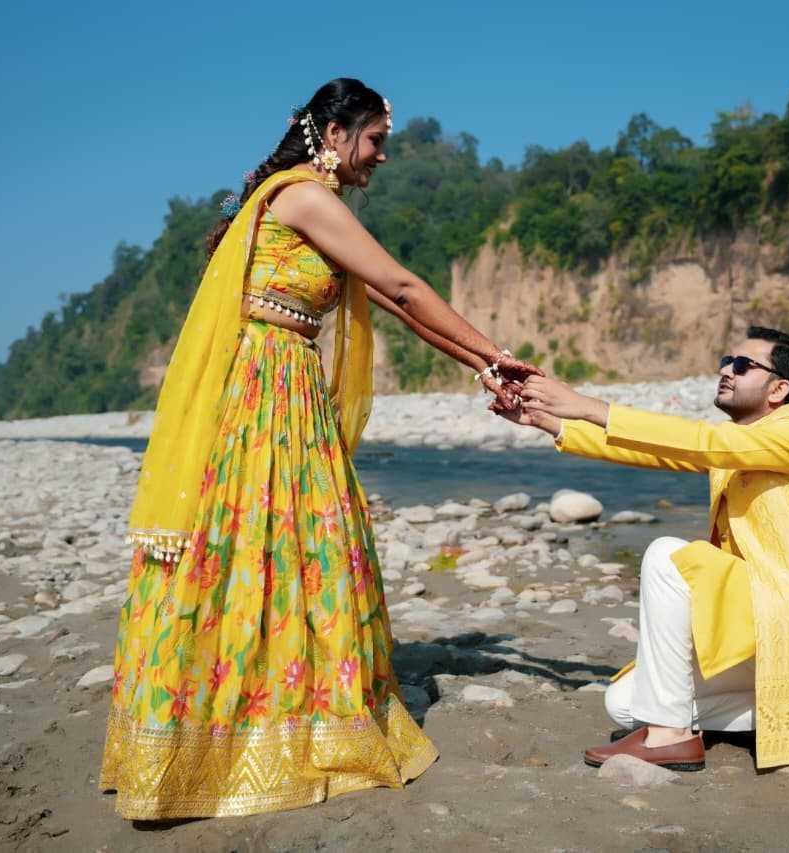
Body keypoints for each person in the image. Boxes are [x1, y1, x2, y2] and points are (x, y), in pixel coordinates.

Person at [99, 78, 539, 820]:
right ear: (334, 134)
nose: (381, 156)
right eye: (375, 140)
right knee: (267, 542)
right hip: (265, 388)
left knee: (278, 545)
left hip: (285, 382)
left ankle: (264, 710)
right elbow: (402, 285)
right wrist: (495, 354)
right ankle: (236, 732)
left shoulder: (298, 198)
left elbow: (398, 303)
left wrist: (484, 365)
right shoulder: (302, 196)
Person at [497, 326, 789, 772]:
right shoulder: (742, 443)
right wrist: (549, 422)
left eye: (742, 365)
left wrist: (587, 406)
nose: (726, 370)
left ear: (778, 389)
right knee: (623, 704)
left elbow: (702, 441)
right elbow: (659, 452)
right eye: (726, 361)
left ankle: (671, 736)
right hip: (759, 624)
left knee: (668, 556)